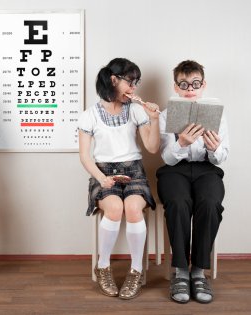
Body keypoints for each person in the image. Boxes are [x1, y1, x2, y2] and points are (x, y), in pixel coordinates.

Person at [78, 58, 160, 300]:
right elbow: (85, 157)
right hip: (102, 172)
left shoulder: (135, 110)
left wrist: (154, 120)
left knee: (133, 208)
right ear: (113, 79)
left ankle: (135, 271)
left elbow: (152, 148)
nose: (134, 89)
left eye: (136, 83)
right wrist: (102, 179)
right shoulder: (89, 115)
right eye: (130, 82)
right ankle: (103, 266)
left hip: (134, 170)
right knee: (113, 208)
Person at [157, 60, 229, 304]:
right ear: (176, 87)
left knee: (209, 203)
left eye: (195, 83)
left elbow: (222, 157)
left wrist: (214, 149)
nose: (190, 88)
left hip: (206, 169)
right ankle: (181, 271)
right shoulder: (166, 115)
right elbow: (166, 157)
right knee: (178, 202)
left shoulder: (217, 114)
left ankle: (198, 271)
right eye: (184, 84)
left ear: (203, 85)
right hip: (173, 171)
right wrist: (181, 144)